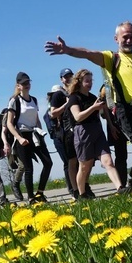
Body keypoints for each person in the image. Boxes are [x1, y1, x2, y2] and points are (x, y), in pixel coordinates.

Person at [44, 14, 132, 193]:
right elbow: (87, 53)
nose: (129, 40)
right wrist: (68, 50)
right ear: (116, 39)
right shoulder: (111, 58)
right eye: (125, 37)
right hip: (128, 111)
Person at [66, 69, 129, 198]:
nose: (90, 83)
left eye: (91, 81)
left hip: (97, 130)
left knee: (108, 161)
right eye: (87, 81)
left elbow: (104, 109)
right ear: (80, 82)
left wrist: (111, 126)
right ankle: (81, 194)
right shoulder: (74, 98)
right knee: (84, 166)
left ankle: (120, 187)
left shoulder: (93, 97)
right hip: (83, 132)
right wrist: (93, 108)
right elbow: (77, 117)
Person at [6, 72, 54, 204]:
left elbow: (36, 118)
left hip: (35, 134)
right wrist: (19, 138)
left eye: (28, 82)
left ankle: (40, 193)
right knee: (28, 168)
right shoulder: (14, 101)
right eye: (24, 83)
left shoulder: (34, 100)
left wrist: (40, 131)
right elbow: (9, 123)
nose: (27, 85)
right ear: (18, 86)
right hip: (22, 135)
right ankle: (31, 198)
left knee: (48, 163)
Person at [46, 68, 76, 197]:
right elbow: (53, 115)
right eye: (65, 76)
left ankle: (78, 187)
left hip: (72, 131)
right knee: (69, 161)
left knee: (76, 160)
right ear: (61, 79)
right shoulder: (58, 97)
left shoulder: (73, 92)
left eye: (70, 76)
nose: (68, 78)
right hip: (60, 135)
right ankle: (72, 188)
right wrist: (67, 105)